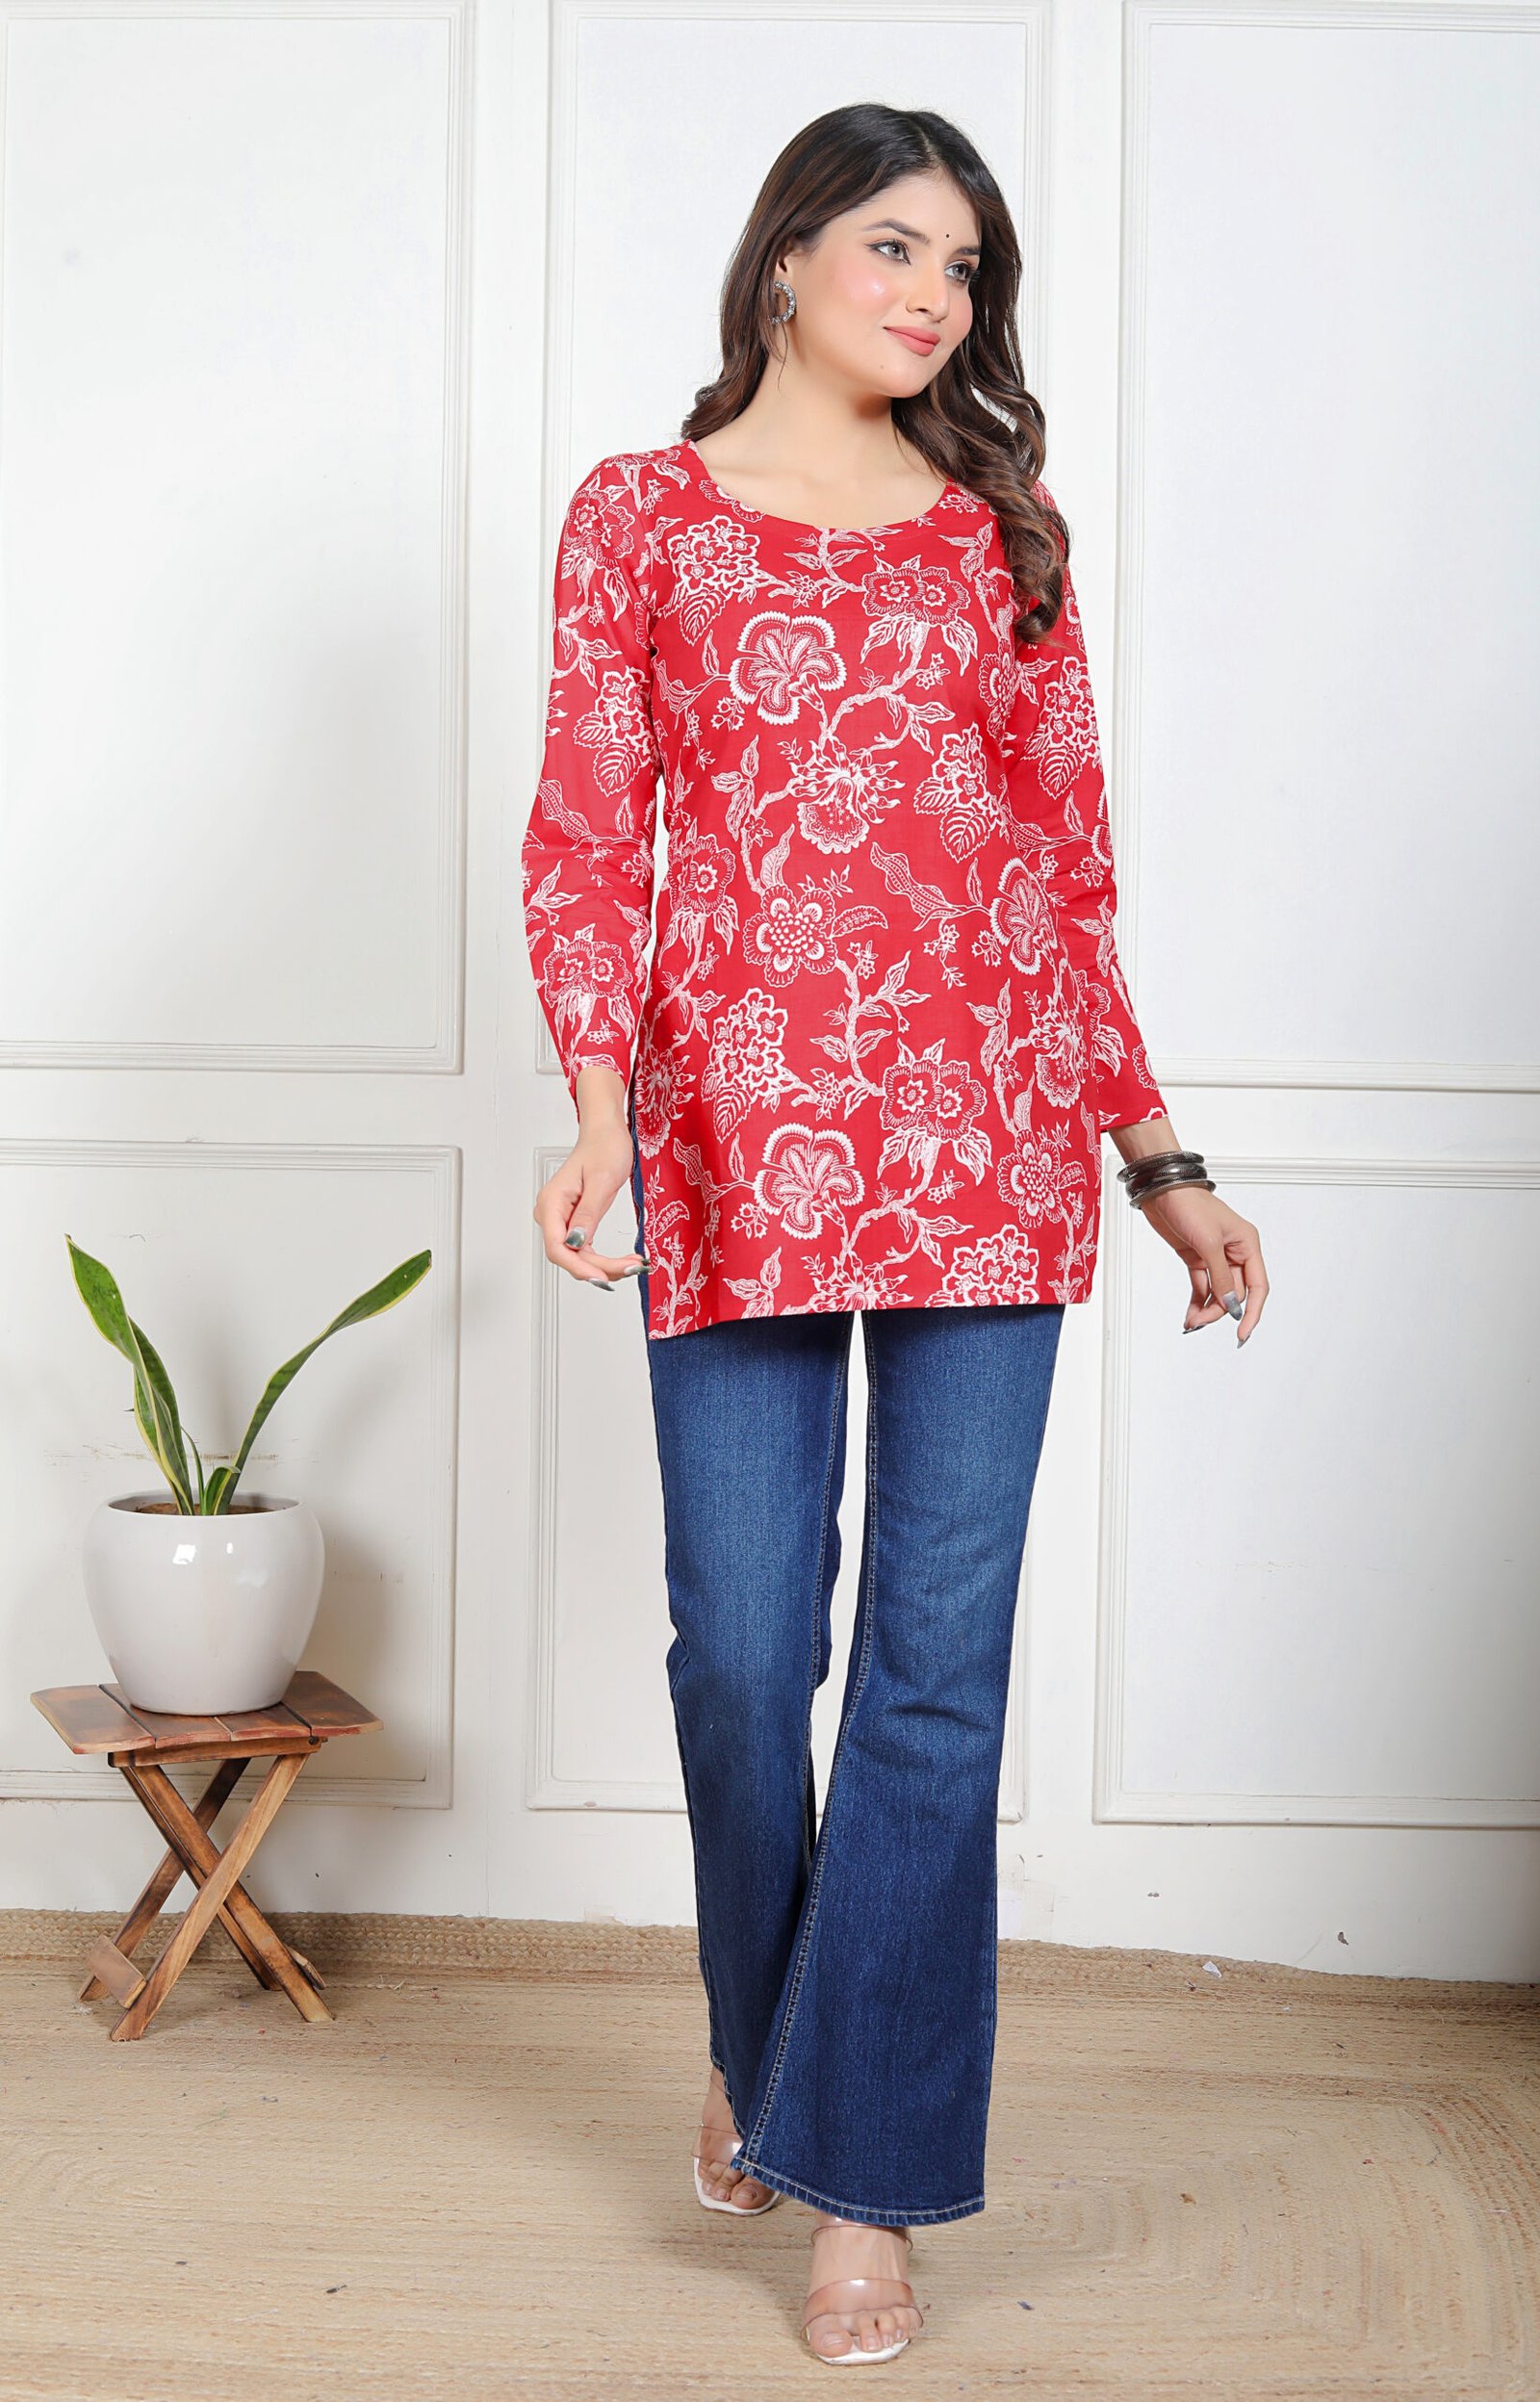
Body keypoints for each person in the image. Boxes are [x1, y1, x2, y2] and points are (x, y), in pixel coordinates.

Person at [521, 100, 1270, 2368]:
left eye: (963, 268)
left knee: (932, 1683)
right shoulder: (640, 513)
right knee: (741, 1655)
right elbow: (587, 836)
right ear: (785, 261)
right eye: (892, 248)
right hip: (733, 1151)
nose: (933, 296)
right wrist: (595, 1114)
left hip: (989, 1152)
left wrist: (1155, 1158)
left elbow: (1064, 874)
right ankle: (771, 2060)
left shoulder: (998, 535)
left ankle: (864, 2188)